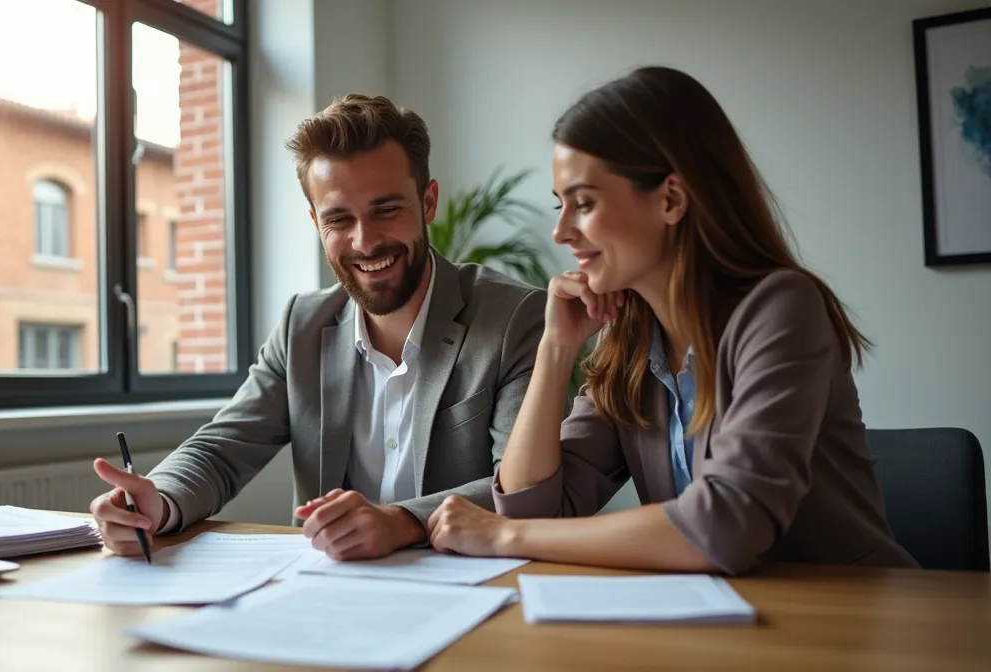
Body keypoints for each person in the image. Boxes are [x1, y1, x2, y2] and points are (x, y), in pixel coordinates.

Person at [426, 66, 918, 575]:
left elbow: (726, 528)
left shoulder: (782, 310)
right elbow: (534, 505)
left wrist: (504, 535)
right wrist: (556, 348)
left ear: (671, 199)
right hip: (720, 626)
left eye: (584, 204)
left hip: (850, 622)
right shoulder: (631, 340)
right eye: (560, 206)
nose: (561, 232)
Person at [90, 94, 545, 561]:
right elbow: (223, 447)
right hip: (325, 591)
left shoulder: (516, 318)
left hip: (472, 589)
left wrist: (404, 520)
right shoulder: (302, 325)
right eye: (339, 219)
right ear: (316, 222)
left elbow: (526, 490)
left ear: (428, 202)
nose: (365, 242)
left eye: (386, 210)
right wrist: (158, 503)